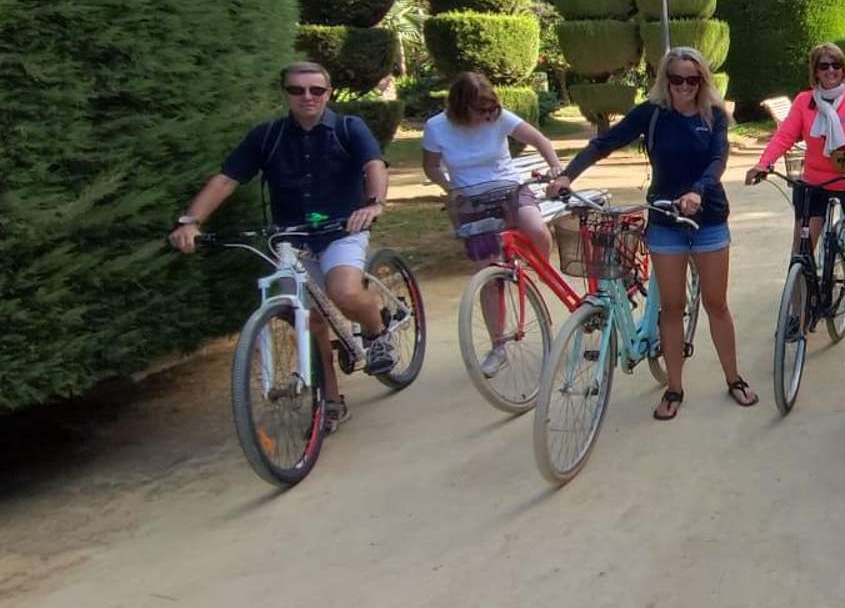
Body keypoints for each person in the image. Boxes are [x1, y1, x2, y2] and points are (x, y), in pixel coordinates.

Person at [169, 61, 393, 432]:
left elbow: (374, 165)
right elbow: (226, 180)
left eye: (316, 90)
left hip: (342, 227)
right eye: (297, 90)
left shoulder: (348, 128)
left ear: (329, 92)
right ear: (285, 94)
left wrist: (374, 203)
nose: (307, 97)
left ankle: (376, 332)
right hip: (290, 240)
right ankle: (331, 402)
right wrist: (191, 221)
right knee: (311, 321)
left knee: (345, 292)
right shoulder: (267, 137)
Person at [549, 47, 754, 417]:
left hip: (708, 219)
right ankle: (674, 389)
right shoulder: (653, 114)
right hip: (664, 221)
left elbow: (717, 160)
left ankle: (733, 378)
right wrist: (567, 174)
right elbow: (604, 143)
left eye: (693, 79)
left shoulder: (714, 116)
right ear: (666, 80)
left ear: (702, 81)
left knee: (715, 303)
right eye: (677, 79)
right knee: (671, 309)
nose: (684, 87)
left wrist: (697, 190)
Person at [421, 73, 564, 378]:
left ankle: (532, 275)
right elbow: (431, 165)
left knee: (537, 230)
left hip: (509, 188)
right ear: (461, 108)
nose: (487, 117)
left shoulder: (499, 118)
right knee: (488, 274)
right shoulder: (436, 127)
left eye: (490, 111)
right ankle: (498, 346)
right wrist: (449, 188)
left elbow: (539, 139)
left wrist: (554, 164)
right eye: (479, 111)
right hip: (470, 198)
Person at [745, 42, 845, 298]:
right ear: (815, 72)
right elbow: (784, 136)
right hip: (815, 181)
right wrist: (763, 163)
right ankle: (796, 312)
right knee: (801, 249)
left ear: (844, 70)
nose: (831, 71)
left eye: (836, 65)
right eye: (824, 66)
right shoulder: (804, 101)